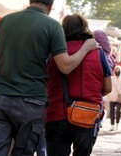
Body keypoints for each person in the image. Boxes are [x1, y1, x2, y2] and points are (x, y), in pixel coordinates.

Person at [0, 0, 98, 156]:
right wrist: (86, 47)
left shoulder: (4, 21)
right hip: (31, 102)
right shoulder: (52, 26)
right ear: (51, 5)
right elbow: (65, 66)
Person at [45, 13, 112, 156]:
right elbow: (108, 87)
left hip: (56, 115)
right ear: (84, 28)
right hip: (87, 115)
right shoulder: (98, 53)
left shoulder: (53, 52)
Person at [105, 65, 121, 131]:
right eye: (116, 70)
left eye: (118, 71)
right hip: (112, 97)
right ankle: (112, 125)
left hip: (120, 98)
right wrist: (108, 95)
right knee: (111, 112)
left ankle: (117, 124)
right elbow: (108, 87)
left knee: (118, 111)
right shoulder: (112, 79)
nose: (117, 72)